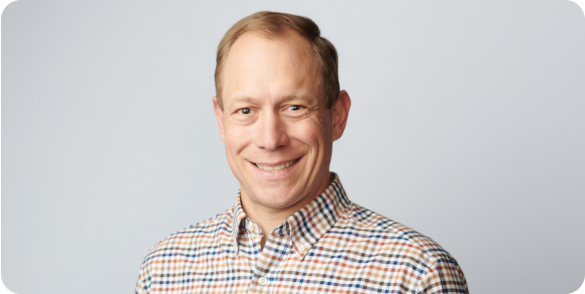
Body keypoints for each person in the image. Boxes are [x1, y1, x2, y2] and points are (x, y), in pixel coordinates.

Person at [136, 11, 468, 293]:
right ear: (221, 120)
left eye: (295, 107)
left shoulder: (416, 276)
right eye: (245, 110)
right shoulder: (164, 272)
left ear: (337, 116)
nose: (270, 139)